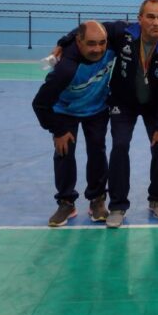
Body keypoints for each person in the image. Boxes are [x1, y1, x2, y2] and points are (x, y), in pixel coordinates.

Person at [33, 21, 115, 227]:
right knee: (64, 151)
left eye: (101, 43)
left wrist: (64, 38)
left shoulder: (112, 44)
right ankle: (66, 201)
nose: (97, 48)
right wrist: (58, 130)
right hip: (66, 110)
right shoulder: (66, 68)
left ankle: (97, 199)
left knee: (97, 150)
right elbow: (40, 104)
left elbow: (114, 26)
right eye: (91, 44)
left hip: (97, 108)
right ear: (79, 42)